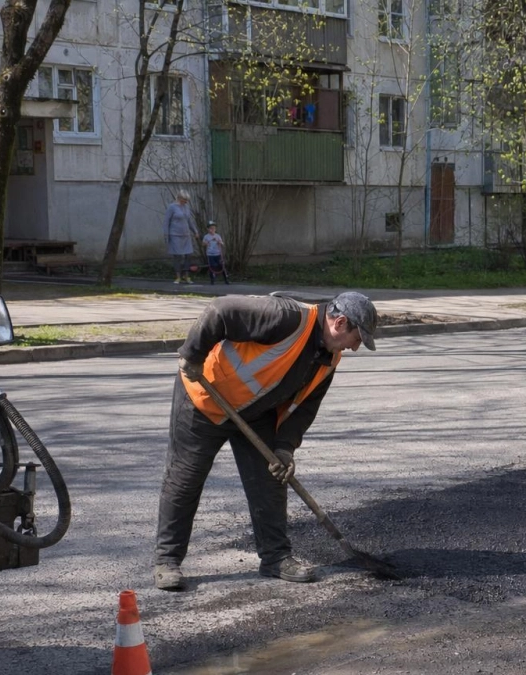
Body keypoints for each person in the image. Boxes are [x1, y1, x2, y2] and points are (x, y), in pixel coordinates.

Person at [153, 291, 379, 591]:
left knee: (270, 480)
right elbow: (220, 310)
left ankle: (275, 558)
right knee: (185, 479)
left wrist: (284, 449)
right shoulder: (284, 317)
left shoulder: (328, 358)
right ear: (339, 323)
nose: (355, 347)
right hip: (204, 401)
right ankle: (167, 561)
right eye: (357, 338)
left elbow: (305, 408)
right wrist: (193, 355)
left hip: (255, 413)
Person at [164, 190, 199, 284]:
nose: (186, 201)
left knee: (188, 255)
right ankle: (178, 276)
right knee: (177, 256)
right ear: (179, 198)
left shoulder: (186, 207)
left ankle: (186, 276)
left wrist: (195, 231)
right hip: (175, 235)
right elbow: (166, 221)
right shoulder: (172, 207)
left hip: (186, 235)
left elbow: (189, 220)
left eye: (187, 200)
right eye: (184, 199)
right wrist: (166, 235)